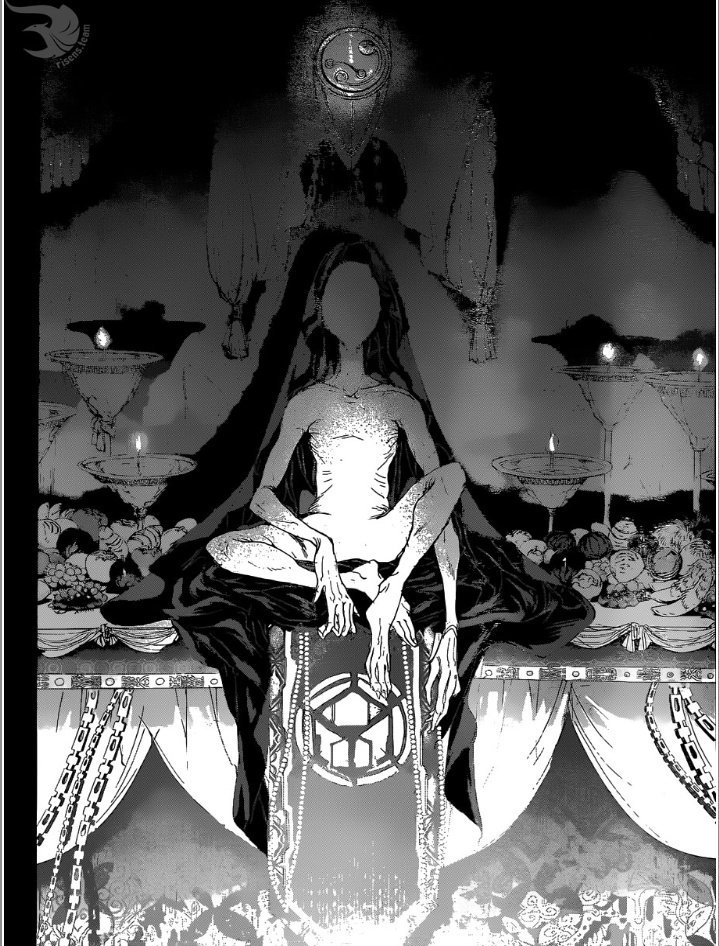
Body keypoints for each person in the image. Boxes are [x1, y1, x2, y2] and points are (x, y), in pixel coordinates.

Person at [103, 233, 594, 853]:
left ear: (382, 308)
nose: (353, 308)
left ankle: (376, 583)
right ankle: (346, 576)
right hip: (318, 538)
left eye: (365, 296)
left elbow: (442, 495)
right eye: (340, 296)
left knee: (449, 478)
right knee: (224, 553)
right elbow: (263, 496)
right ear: (322, 309)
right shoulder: (307, 400)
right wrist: (320, 555)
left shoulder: (400, 401)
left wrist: (416, 599)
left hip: (387, 537)